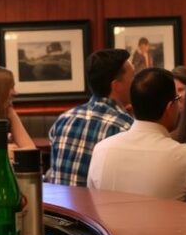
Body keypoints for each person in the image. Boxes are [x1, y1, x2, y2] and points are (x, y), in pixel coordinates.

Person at [87, 68, 186, 214]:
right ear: (170, 106)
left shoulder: (101, 149)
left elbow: (93, 203)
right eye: (177, 100)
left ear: (133, 106)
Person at [48, 49, 135, 186]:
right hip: (98, 207)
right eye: (133, 78)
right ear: (116, 85)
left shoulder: (63, 119)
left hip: (58, 207)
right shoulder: (125, 126)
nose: (135, 84)